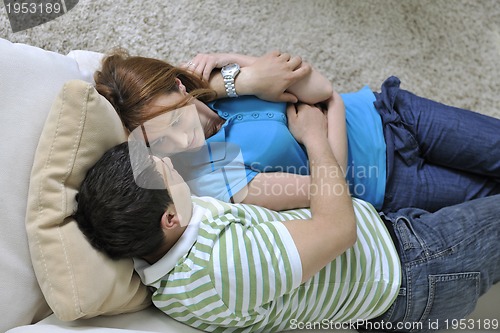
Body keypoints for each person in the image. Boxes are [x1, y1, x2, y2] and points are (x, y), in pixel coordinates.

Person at [73, 103, 500, 332]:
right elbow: (338, 230)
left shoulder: (161, 248)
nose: (172, 165)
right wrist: (314, 138)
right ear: (168, 218)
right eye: (168, 173)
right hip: (414, 268)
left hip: (397, 246)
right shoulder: (223, 268)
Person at [94, 50, 500, 213]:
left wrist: (236, 69)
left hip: (390, 112)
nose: (180, 141)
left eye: (175, 120)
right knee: (490, 201)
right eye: (160, 140)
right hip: (391, 182)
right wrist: (323, 122)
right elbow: (332, 190)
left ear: (180, 88)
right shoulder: (212, 181)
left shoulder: (221, 85)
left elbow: (318, 88)